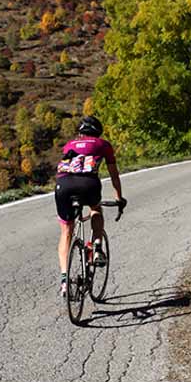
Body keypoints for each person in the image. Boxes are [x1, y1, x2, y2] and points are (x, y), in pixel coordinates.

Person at [55, 115, 126, 297]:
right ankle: (97, 247)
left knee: (66, 231)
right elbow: (114, 175)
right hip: (89, 184)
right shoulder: (103, 145)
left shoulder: (69, 145)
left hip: (63, 186)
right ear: (97, 132)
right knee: (95, 209)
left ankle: (64, 281)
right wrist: (119, 198)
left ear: (80, 133)